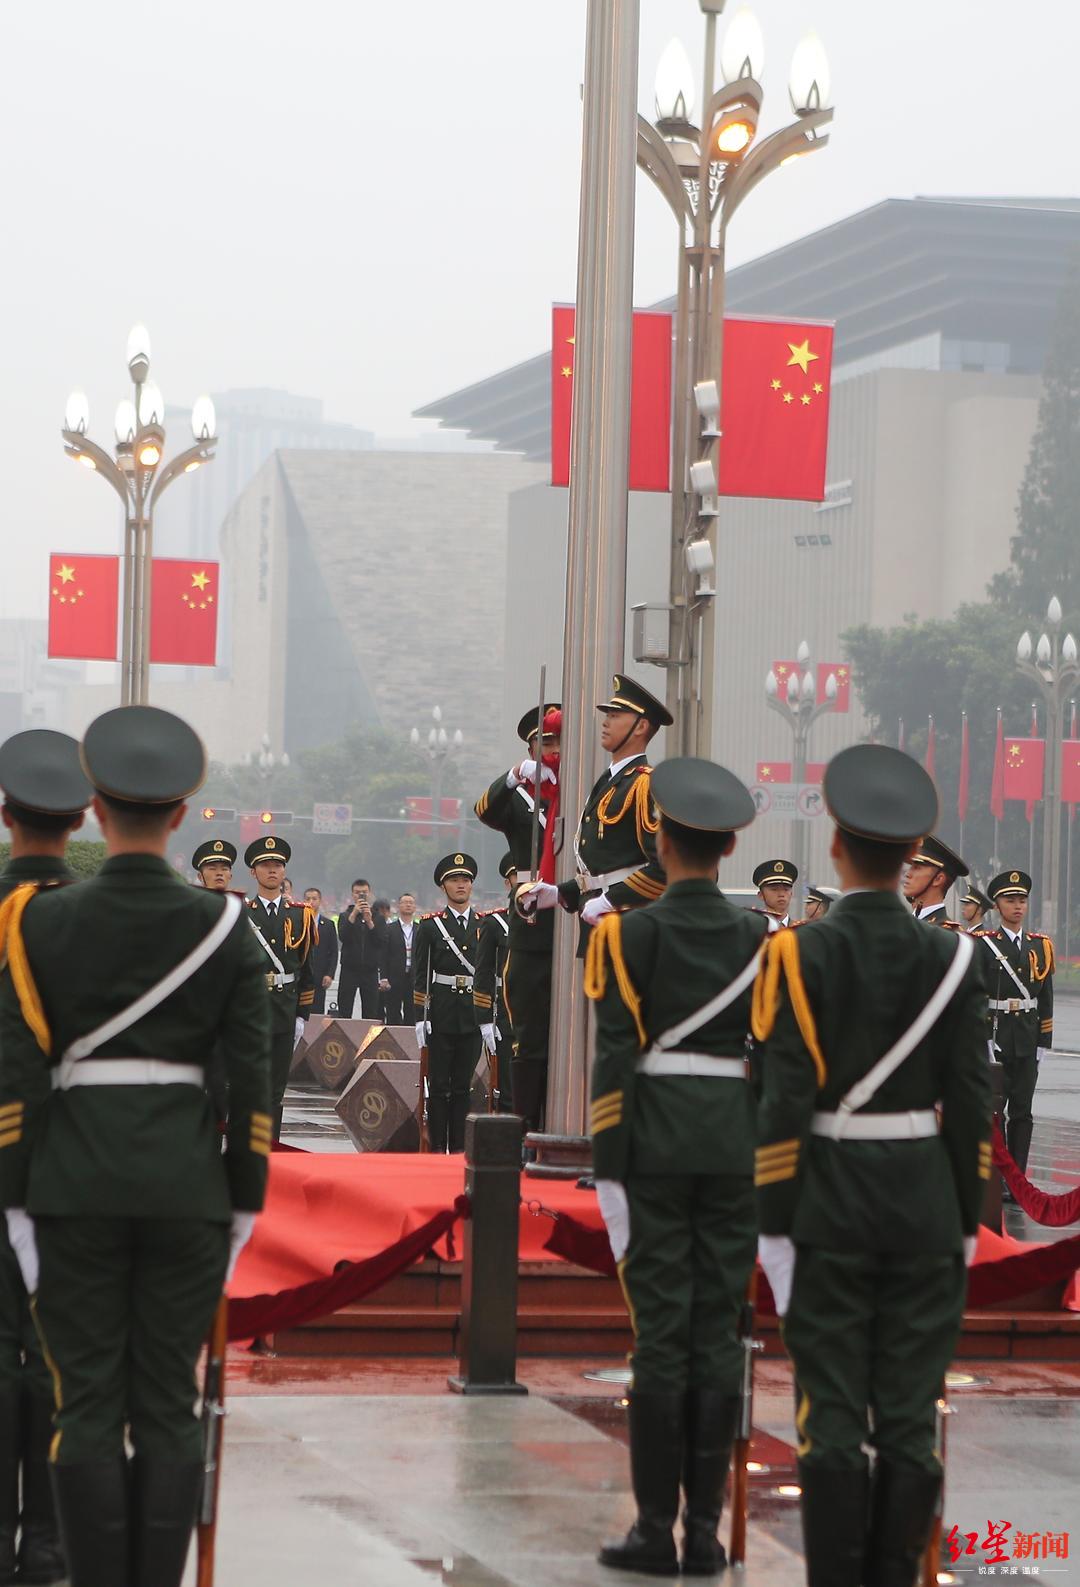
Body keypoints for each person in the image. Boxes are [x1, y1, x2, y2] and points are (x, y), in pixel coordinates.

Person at [0, 705, 273, 1587]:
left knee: (82, 1402)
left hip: (70, 1188)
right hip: (187, 1192)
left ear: (94, 811)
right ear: (182, 817)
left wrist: (18, 1197)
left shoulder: (34, 924)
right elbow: (251, 1077)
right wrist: (243, 1194)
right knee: (167, 1400)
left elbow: (21, 1079)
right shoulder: (228, 927)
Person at [752, 744, 992, 1587]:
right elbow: (970, 1107)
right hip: (926, 1206)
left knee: (829, 1421)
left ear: (839, 849)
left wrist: (774, 1223)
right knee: (910, 1418)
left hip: (828, 1204)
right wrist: (966, 1217)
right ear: (912, 856)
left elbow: (783, 1101)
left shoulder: (798, 954)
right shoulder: (957, 961)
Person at [586, 756, 766, 1577]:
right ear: (731, 844)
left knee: (662, 1333)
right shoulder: (763, 938)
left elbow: (615, 1061)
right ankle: (707, 1535)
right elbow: (771, 1060)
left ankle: (656, 1528)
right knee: (720, 1331)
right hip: (732, 1149)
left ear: (657, 838)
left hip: (653, 1147)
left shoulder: (628, 933)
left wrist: (612, 1169)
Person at [0, 730, 91, 1587]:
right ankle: (52, 1543)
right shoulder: (100, 917)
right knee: (60, 1347)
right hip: (74, 1162)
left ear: (5, 813)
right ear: (81, 817)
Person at [521, 675, 671, 936]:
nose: (606, 722)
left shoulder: (644, 784)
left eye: (615, 715)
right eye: (608, 714)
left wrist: (611, 900)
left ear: (640, 726)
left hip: (626, 925)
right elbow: (605, 867)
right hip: (598, 924)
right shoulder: (610, 780)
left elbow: (666, 866)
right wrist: (559, 893)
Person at [474, 702, 560, 1130]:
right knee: (527, 1024)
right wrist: (514, 777)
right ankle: (524, 1125)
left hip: (570, 903)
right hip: (531, 913)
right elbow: (484, 811)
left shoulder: (581, 791)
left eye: (560, 742)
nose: (554, 750)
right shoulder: (522, 795)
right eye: (546, 743)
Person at [980, 870, 1054, 1179]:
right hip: (997, 1037)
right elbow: (976, 994)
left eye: (1022, 901)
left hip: (1026, 1037)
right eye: (1010, 901)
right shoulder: (984, 945)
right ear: (997, 906)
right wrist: (983, 1039)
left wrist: (1043, 1042)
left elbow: (1045, 997)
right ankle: (997, 1177)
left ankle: (1017, 1178)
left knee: (1022, 1112)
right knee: (995, 1111)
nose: (1018, 907)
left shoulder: (1040, 946)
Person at [244, 834, 316, 1133]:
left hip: (285, 1008)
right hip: (250, 1010)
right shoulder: (242, 913)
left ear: (284, 871)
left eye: (277, 865)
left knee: (276, 1086)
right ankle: (246, 1150)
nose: (272, 870)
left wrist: (302, 1014)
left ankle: (269, 1152)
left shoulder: (301, 915)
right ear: (253, 872)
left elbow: (307, 970)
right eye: (265, 865)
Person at [412, 853, 483, 1154]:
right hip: (441, 1013)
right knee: (439, 1086)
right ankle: (438, 1144)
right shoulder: (430, 927)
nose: (461, 885)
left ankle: (458, 1147)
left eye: (465, 880)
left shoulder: (485, 925)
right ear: (444, 887)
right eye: (455, 880)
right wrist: (420, 1015)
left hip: (472, 1013)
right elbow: (420, 973)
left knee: (463, 1086)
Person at [474, 855, 517, 1114]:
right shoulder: (494, 923)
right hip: (505, 1011)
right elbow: (484, 972)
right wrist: (485, 1019)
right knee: (507, 1086)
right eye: (516, 876)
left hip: (536, 1010)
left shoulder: (548, 919)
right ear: (507, 882)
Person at [336, 878, 386, 1019]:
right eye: (357, 893)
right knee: (344, 1009)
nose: (360, 895)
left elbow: (380, 941)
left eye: (364, 892)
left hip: (370, 970)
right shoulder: (345, 916)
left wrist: (370, 922)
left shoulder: (378, 918)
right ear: (352, 894)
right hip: (349, 969)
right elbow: (343, 937)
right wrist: (354, 915)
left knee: (371, 1011)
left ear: (369, 893)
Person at [901, 834, 967, 926]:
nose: (907, 874)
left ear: (938, 879)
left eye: (917, 868)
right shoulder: (906, 924)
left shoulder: (947, 934)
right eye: (911, 866)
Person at [381, 892, 419, 1025]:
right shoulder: (390, 929)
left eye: (411, 903)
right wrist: (384, 977)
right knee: (393, 1011)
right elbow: (384, 955)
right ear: (398, 906)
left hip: (414, 977)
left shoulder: (420, 930)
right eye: (405, 902)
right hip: (394, 976)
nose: (408, 905)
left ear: (415, 907)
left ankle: (409, 1042)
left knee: (412, 1012)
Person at [304, 887, 339, 1015]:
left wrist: (329, 974)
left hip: (319, 976)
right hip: (302, 976)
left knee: (317, 1012)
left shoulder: (328, 924)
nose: (311, 902)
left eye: (314, 899)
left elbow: (333, 952)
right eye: (308, 899)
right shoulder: (297, 922)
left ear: (320, 901)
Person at [753, 860, 797, 929]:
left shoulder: (801, 931)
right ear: (761, 895)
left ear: (791, 894)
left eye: (786, 889)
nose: (781, 894)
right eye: (774, 889)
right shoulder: (753, 930)